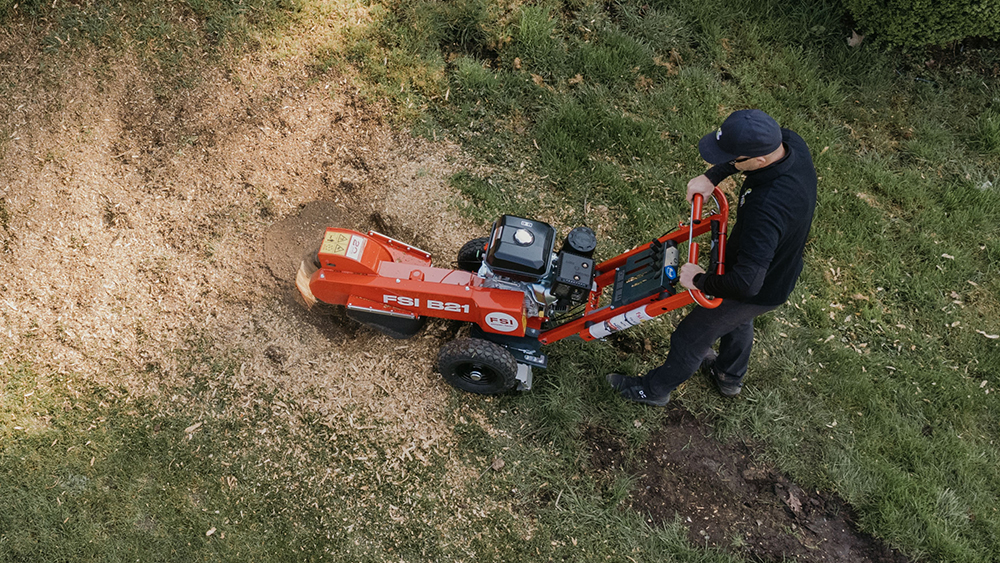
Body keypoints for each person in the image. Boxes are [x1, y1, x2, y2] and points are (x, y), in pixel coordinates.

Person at [607, 109, 817, 406]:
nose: (725, 160)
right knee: (736, 321)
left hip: (755, 284)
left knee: (690, 337)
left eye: (733, 158)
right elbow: (744, 155)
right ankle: (729, 376)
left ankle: (653, 391)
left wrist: (699, 279)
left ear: (758, 161)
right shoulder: (789, 143)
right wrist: (713, 175)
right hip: (768, 264)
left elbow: (746, 285)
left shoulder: (768, 207)